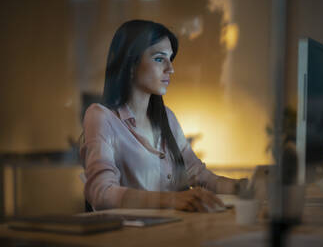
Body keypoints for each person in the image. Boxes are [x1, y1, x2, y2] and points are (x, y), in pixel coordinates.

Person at [80, 19, 248, 212]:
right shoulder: (102, 117)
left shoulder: (167, 117)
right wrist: (171, 200)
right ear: (131, 64)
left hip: (170, 231)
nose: (171, 68)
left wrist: (243, 188)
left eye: (170, 59)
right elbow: (102, 192)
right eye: (160, 59)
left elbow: (198, 174)